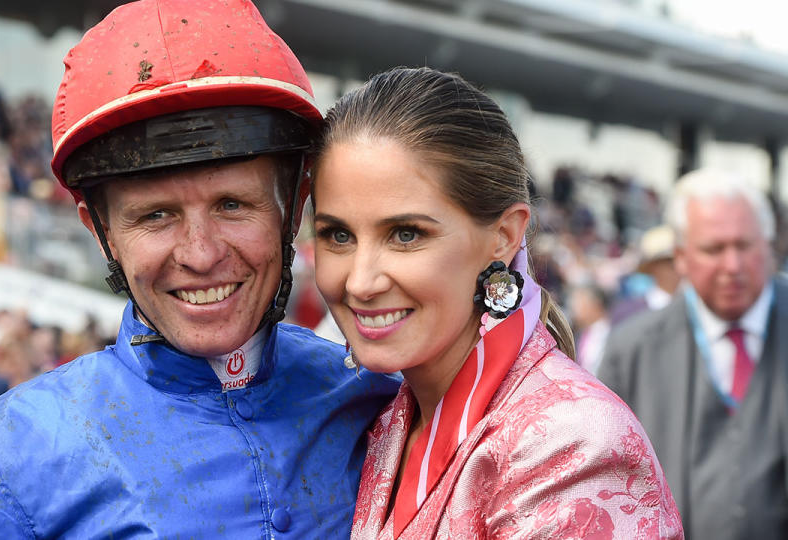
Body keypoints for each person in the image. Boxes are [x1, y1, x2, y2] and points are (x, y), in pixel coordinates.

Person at [0, 1, 398, 538]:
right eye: (156, 216)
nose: (200, 255)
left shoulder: (383, 400)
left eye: (232, 204)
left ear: (293, 207)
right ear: (100, 230)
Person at [311, 67, 682, 539]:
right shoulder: (386, 418)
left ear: (504, 237)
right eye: (337, 235)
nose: (360, 282)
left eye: (406, 234)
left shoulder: (571, 443)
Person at [599, 168, 788, 539]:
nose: (732, 266)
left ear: (769, 246)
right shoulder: (632, 351)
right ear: (681, 258)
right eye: (714, 249)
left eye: (745, 245)